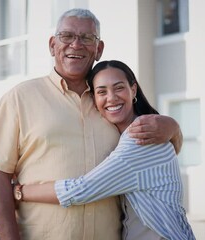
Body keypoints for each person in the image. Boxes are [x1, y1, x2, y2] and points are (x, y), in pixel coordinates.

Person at [0, 8, 183, 240]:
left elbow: (152, 156)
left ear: (98, 49)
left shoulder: (110, 106)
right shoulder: (20, 97)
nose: (76, 44)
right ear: (53, 44)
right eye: (67, 36)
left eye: (86, 38)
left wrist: (173, 127)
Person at [13, 60, 195, 240]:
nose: (112, 97)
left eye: (118, 88)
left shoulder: (140, 137)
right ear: (94, 99)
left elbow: (81, 190)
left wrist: (20, 191)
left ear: (133, 90)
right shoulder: (142, 131)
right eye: (102, 91)